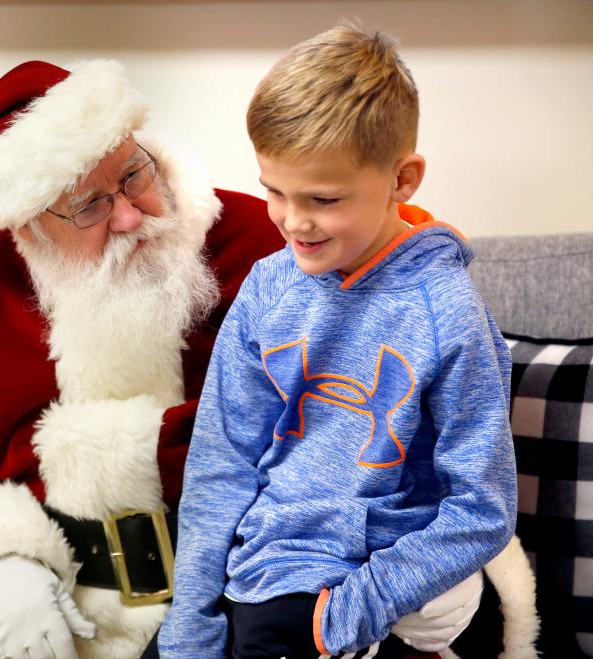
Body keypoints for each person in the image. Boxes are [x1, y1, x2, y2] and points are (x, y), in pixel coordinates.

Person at [0, 59, 492, 659]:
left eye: (135, 174)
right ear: (26, 224)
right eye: (88, 206)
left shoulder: (265, 239)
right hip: (66, 585)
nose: (134, 216)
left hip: (240, 570)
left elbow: (371, 404)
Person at [156, 25, 539, 659]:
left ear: (403, 179)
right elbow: (222, 462)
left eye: (324, 199)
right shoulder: (268, 286)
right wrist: (190, 623)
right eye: (273, 191)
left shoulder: (448, 313)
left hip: (368, 584)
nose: (292, 220)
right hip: (265, 566)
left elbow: (484, 506)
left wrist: (352, 611)